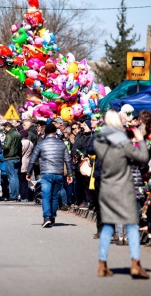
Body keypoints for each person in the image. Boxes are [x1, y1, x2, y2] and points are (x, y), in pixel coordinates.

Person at [93, 109, 149, 279]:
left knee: (109, 225)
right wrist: (139, 140)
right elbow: (142, 158)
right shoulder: (123, 143)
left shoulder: (100, 142)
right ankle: (135, 263)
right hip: (124, 187)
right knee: (131, 225)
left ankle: (102, 264)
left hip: (107, 187)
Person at [26, 123, 73, 227]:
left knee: (46, 196)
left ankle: (46, 217)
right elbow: (68, 159)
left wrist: (29, 172)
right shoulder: (62, 144)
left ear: (45, 132)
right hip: (58, 173)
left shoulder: (41, 144)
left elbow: (33, 159)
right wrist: (70, 174)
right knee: (55, 196)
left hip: (46, 173)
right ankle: (52, 216)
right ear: (55, 132)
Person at [2, 121, 22, 201]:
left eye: (4, 128)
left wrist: (1, 144)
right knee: (16, 176)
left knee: (12, 177)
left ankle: (13, 195)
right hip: (17, 157)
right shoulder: (18, 133)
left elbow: (6, 146)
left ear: (7, 127)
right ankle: (16, 194)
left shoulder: (9, 134)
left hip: (10, 157)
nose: (4, 130)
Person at [19, 129, 33, 202]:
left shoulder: (22, 143)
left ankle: (23, 196)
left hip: (22, 162)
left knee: (22, 181)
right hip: (28, 162)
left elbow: (21, 152)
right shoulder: (31, 143)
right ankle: (27, 196)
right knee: (26, 180)